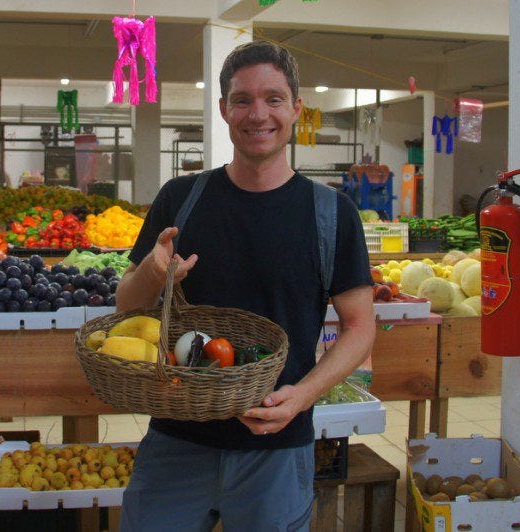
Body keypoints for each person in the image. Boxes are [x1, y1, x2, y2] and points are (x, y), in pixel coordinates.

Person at [116, 40, 375, 531]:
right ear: (223, 110)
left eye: (273, 99)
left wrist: (302, 396)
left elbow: (360, 328)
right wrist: (152, 272)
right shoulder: (181, 199)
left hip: (276, 446)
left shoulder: (331, 214)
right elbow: (125, 304)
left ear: (296, 108)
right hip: (177, 438)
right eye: (242, 100)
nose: (259, 114)